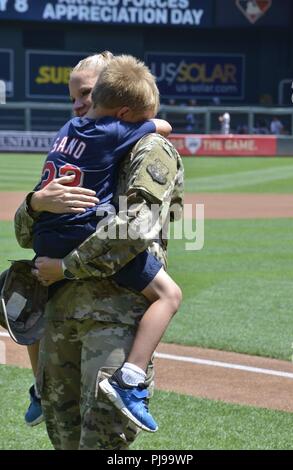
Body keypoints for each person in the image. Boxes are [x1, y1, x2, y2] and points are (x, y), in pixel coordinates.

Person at [14, 52, 184, 449]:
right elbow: (26, 233)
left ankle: (131, 380)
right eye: (73, 96)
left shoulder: (149, 148)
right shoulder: (77, 139)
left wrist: (68, 266)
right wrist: (37, 203)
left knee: (103, 443)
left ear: (110, 92)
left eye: (87, 93)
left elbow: (135, 228)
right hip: (60, 316)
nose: (78, 104)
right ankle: (39, 390)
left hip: (113, 318)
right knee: (64, 440)